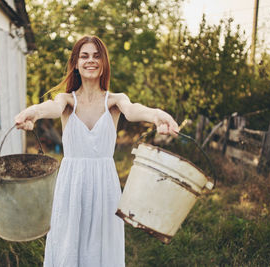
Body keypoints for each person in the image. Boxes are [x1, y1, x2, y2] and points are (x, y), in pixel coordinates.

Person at [15, 36, 179, 267]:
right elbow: (50, 107)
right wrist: (33, 112)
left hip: (104, 185)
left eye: (96, 55)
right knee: (67, 245)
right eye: (84, 56)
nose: (91, 60)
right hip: (71, 184)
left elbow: (133, 110)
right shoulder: (66, 100)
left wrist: (157, 115)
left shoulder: (115, 100)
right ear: (75, 63)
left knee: (102, 249)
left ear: (104, 63)